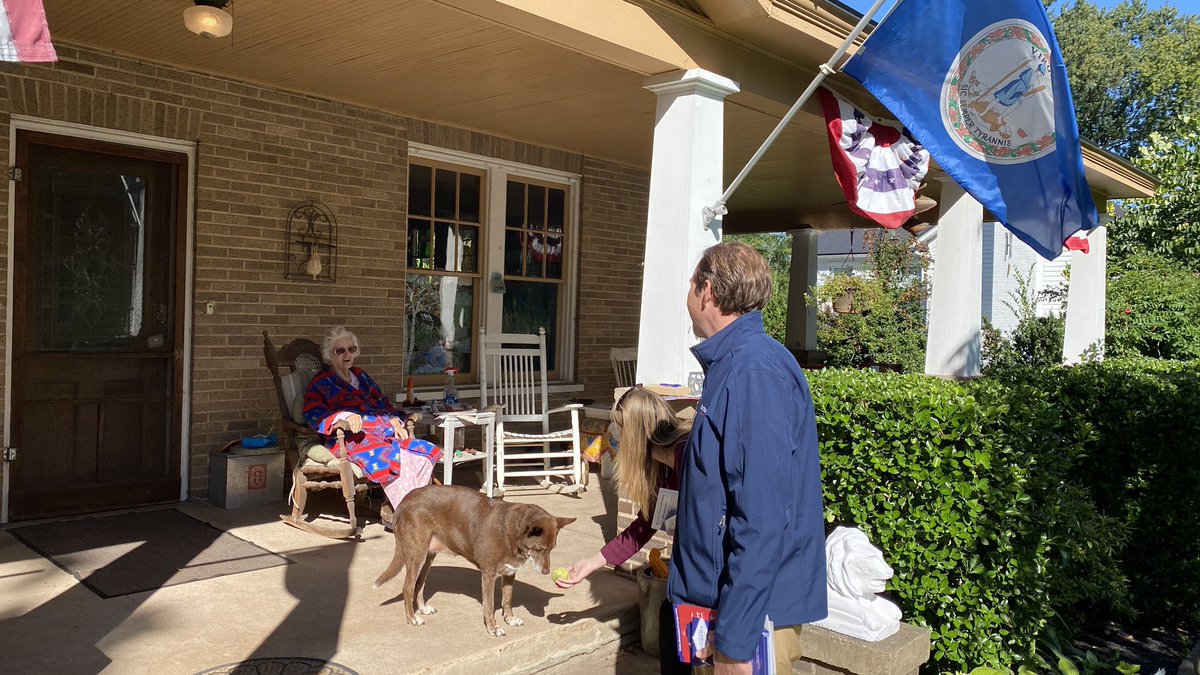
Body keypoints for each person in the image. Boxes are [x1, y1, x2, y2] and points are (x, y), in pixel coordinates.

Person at [674, 241, 827, 674]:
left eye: (691, 282)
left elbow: (760, 517)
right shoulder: (734, 363)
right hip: (729, 605)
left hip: (750, 618)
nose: (688, 291)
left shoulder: (754, 370)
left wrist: (736, 643)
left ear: (707, 291)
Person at [555, 385, 691, 670]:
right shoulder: (660, 468)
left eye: (620, 431)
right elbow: (643, 528)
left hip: (708, 575)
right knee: (670, 627)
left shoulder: (687, 456)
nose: (616, 439)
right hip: (687, 574)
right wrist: (590, 564)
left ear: (638, 433)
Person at [303, 326, 442, 523]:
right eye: (340, 351)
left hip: (382, 430)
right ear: (329, 355)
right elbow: (313, 413)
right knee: (390, 457)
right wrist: (343, 417)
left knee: (420, 450)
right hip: (350, 438)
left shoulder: (361, 376)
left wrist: (393, 419)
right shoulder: (321, 382)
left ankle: (403, 509)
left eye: (351, 349)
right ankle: (408, 516)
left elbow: (382, 402)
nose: (347, 354)